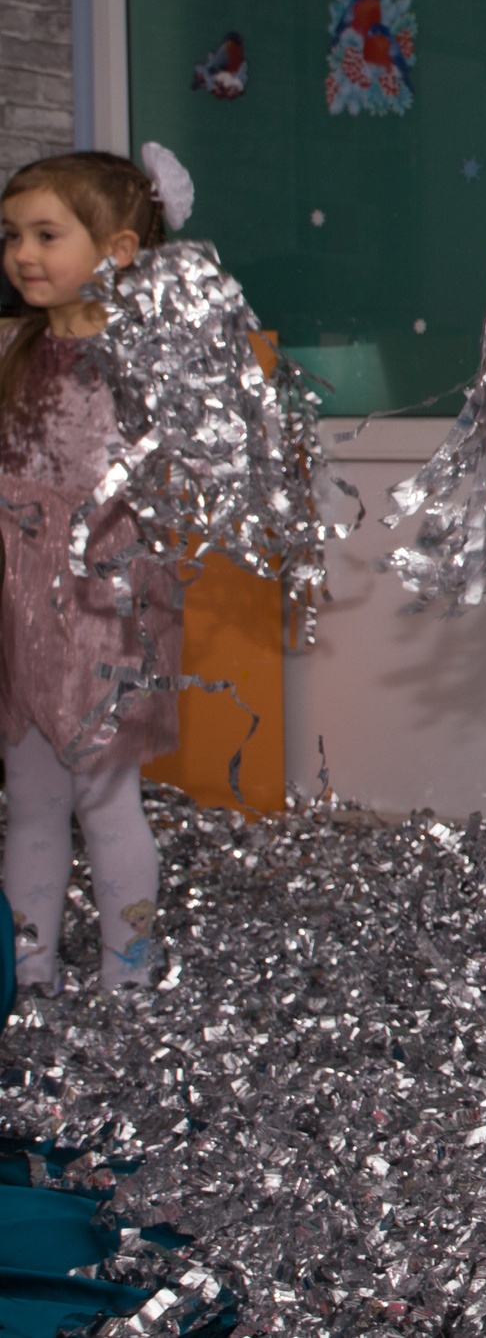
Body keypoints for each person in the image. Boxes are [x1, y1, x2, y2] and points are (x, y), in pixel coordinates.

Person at [0, 150, 191, 995]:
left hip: (105, 610)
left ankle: (129, 976)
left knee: (106, 799)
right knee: (32, 799)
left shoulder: (138, 359)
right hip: (25, 613)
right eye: (12, 235)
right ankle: (27, 967)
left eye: (46, 235)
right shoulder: (20, 352)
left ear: (116, 250)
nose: (22, 254)